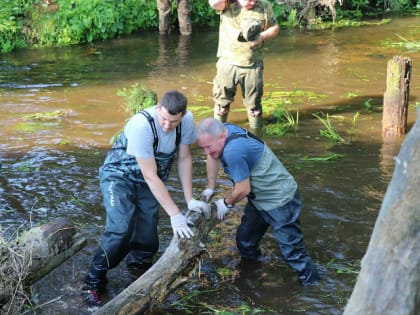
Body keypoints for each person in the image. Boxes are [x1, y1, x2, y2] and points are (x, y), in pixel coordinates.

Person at [82, 90, 210, 307]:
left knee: (147, 237)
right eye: (164, 120)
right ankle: (92, 282)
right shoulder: (141, 125)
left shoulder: (186, 120)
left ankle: (138, 274)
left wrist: (189, 200)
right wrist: (175, 214)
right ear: (158, 107)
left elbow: (184, 158)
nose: (168, 126)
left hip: (149, 180)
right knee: (121, 229)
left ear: (183, 115)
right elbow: (150, 176)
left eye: (174, 121)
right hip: (119, 177)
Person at [196, 118, 319, 285]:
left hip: (280, 201)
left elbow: (243, 190)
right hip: (259, 199)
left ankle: (312, 286)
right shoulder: (221, 132)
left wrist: (225, 203)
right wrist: (210, 187)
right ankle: (253, 274)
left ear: (222, 136)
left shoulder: (233, 151)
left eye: (208, 147)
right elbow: (212, 156)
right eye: (202, 147)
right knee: (245, 240)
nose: (206, 152)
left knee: (293, 253)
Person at [208, 0, 279, 130]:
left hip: (253, 66)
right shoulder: (227, 4)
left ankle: (256, 137)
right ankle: (217, 135)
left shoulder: (264, 6)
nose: (252, 1)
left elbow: (275, 28)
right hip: (227, 64)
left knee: (254, 108)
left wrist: (262, 36)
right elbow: (213, 3)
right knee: (221, 106)